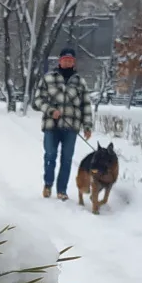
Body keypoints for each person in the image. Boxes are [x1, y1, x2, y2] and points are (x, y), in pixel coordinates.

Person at [33, 48, 94, 199]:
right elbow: (38, 100)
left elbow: (86, 105)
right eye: (65, 59)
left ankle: (62, 190)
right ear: (60, 61)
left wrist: (87, 126)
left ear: (74, 62)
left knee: (66, 159)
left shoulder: (80, 82)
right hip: (51, 125)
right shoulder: (48, 78)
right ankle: (48, 184)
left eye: (70, 60)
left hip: (71, 126)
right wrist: (50, 110)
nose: (67, 62)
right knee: (50, 155)